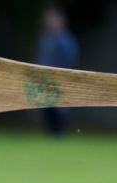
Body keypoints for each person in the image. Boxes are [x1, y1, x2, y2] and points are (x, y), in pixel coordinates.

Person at [34, 7, 79, 136]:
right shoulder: (45, 39)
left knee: (59, 109)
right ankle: (51, 135)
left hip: (60, 79)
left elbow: (70, 59)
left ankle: (59, 134)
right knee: (46, 108)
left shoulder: (66, 40)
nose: (49, 22)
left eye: (52, 19)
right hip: (44, 80)